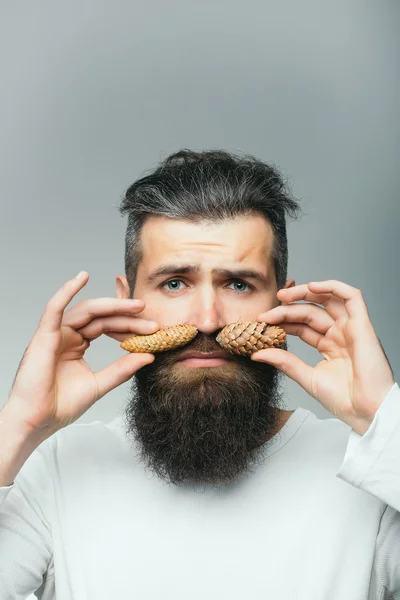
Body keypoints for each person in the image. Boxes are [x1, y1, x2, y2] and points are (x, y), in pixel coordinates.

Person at [0, 149, 398, 599]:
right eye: (174, 283)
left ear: (283, 305)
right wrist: (18, 425)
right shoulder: (54, 470)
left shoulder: (370, 476)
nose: (208, 319)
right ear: (125, 299)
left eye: (238, 284)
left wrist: (382, 422)